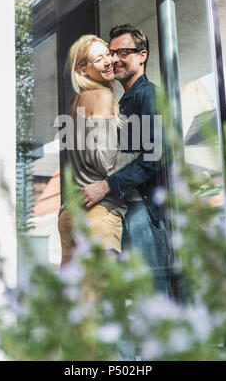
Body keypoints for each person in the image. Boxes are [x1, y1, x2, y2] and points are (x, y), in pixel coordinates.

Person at [82, 24, 171, 295]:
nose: (115, 59)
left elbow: (154, 156)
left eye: (123, 52)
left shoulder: (147, 96)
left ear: (142, 55)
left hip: (144, 212)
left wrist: (105, 186)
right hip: (131, 209)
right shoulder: (126, 101)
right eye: (111, 53)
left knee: (153, 300)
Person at [58, 34, 139, 266]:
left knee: (72, 298)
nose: (108, 61)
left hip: (70, 213)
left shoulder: (77, 101)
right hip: (97, 213)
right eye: (98, 59)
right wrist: (137, 151)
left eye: (107, 54)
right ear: (83, 70)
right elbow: (104, 161)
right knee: (102, 299)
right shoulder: (102, 96)